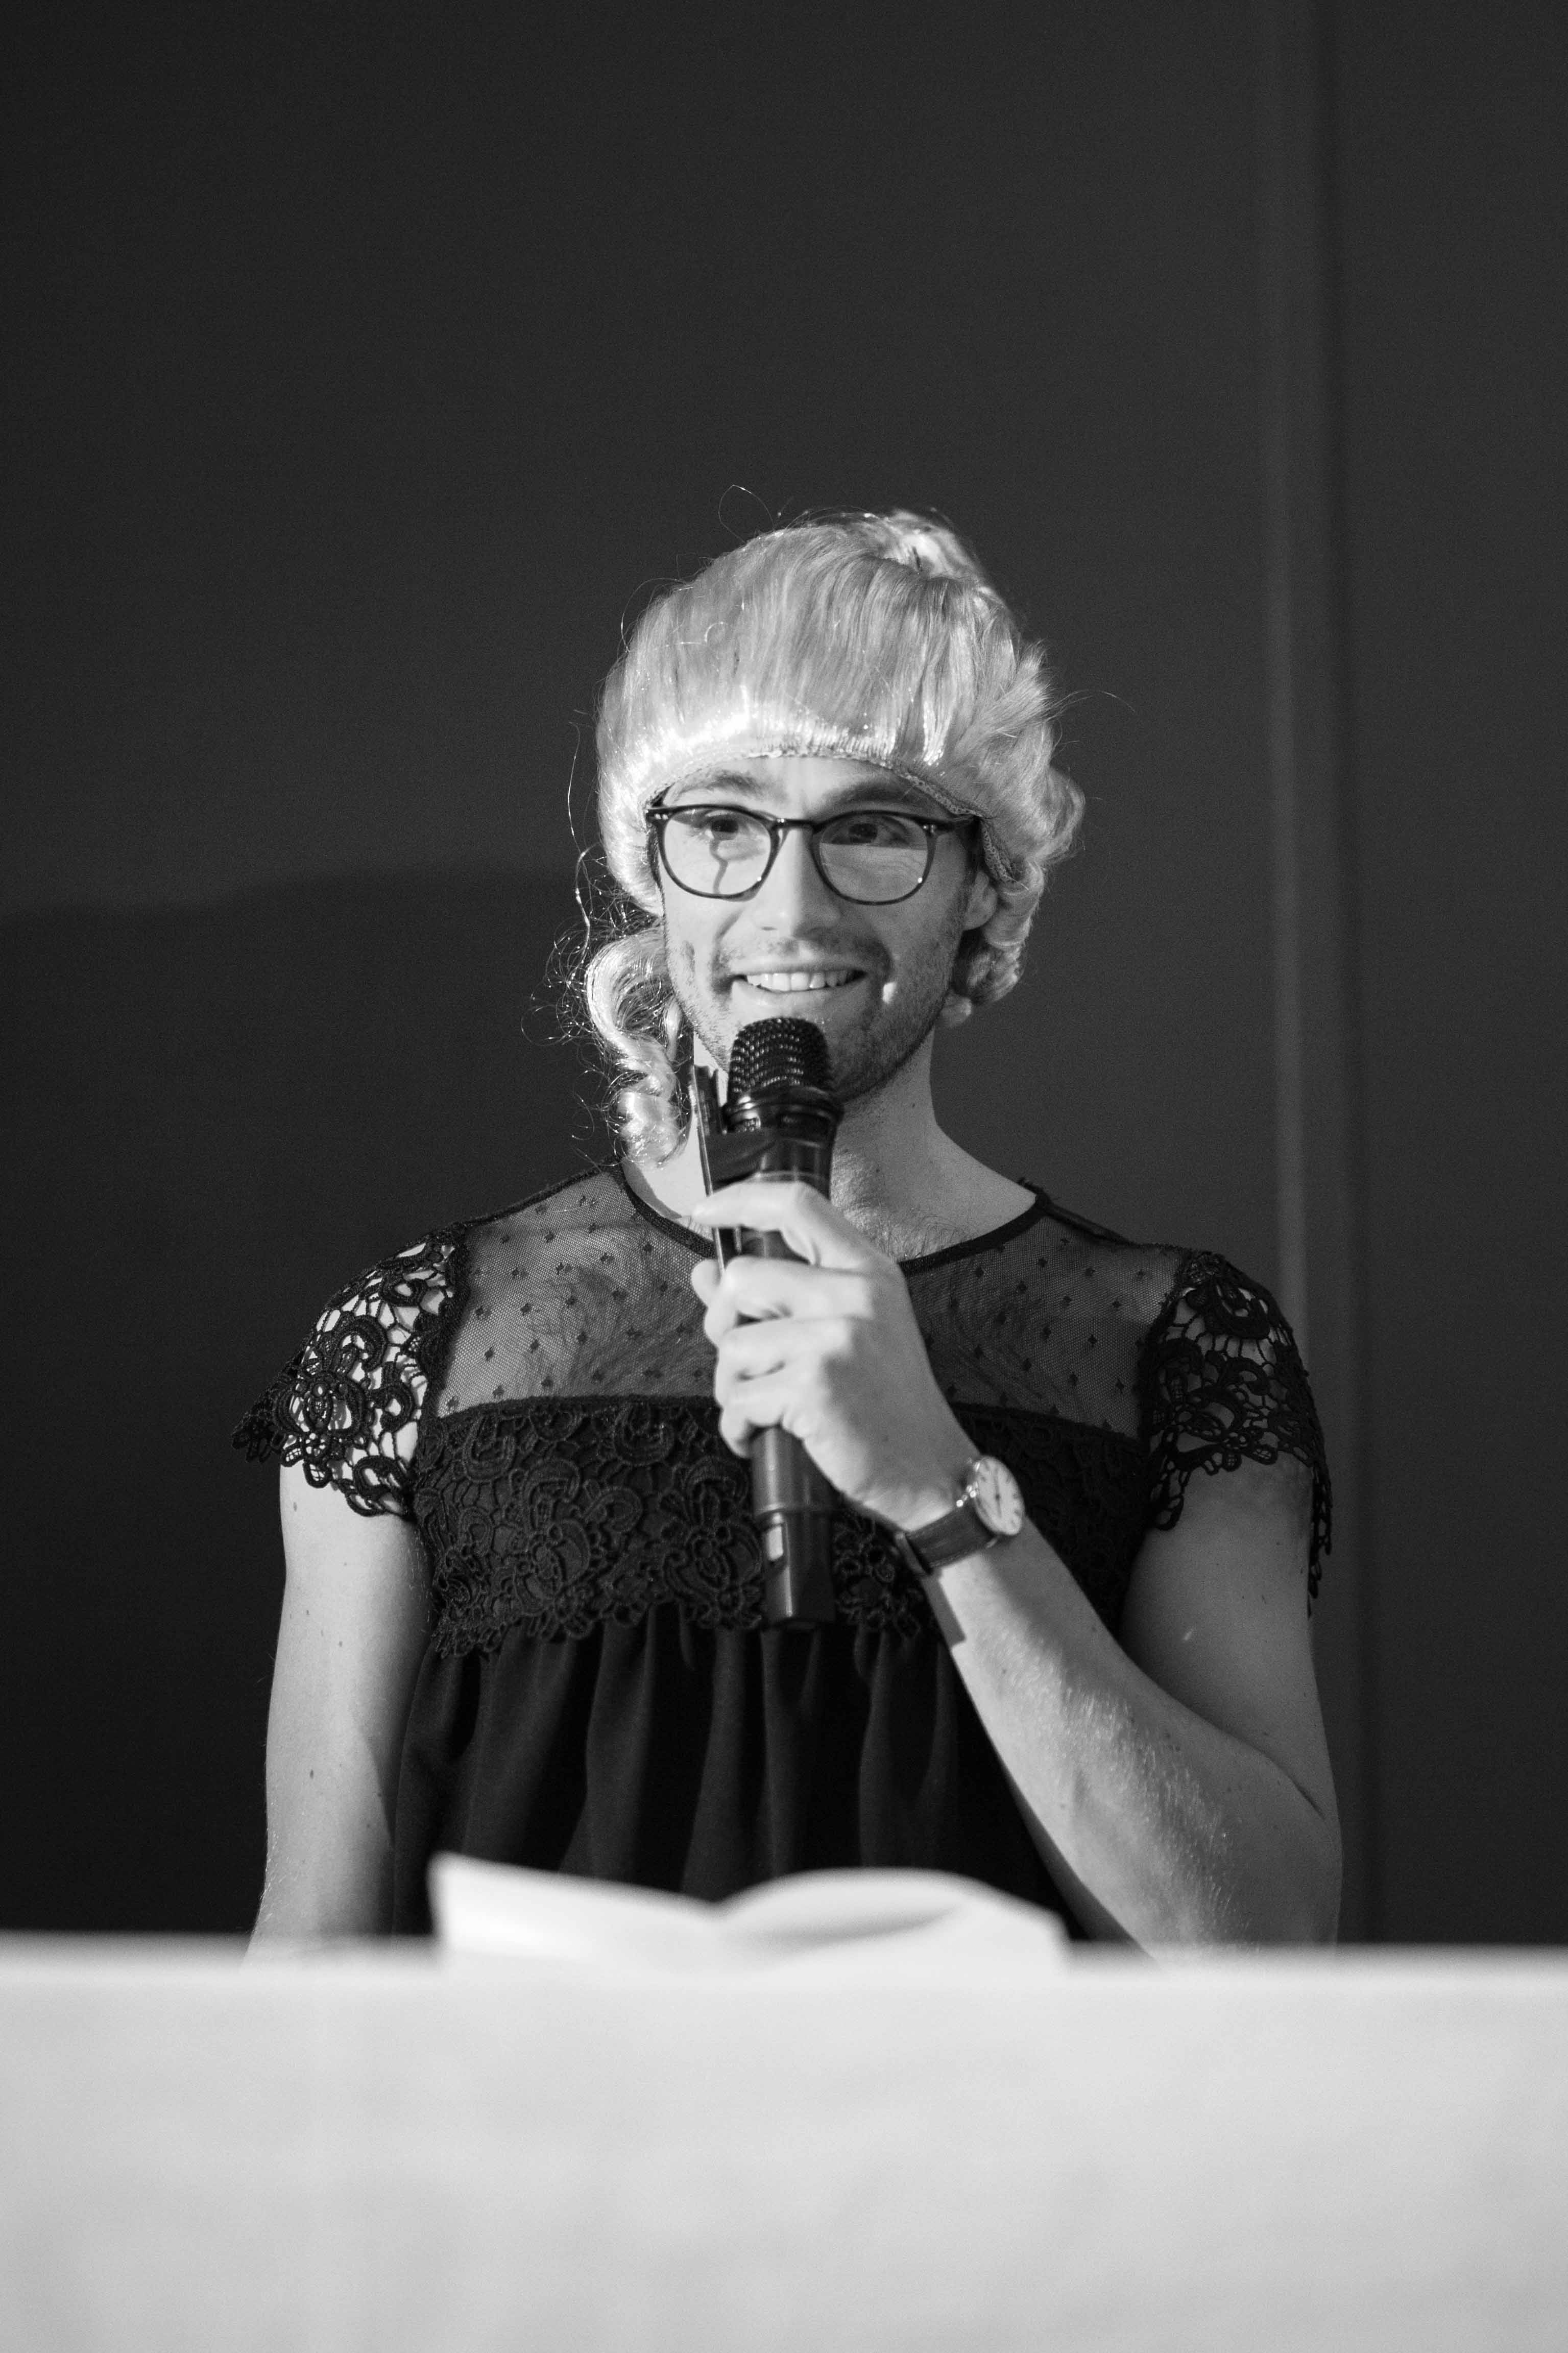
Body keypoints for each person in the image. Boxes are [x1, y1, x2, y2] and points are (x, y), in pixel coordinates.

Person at [237, 510, 1341, 1948]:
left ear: (985, 882)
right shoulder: (425, 1336)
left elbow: (1263, 1938)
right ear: (653, 868)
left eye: (873, 828)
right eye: (724, 825)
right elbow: (312, 1944)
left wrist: (939, 1486)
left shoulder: (1172, 1347)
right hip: (543, 2107)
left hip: (980, 2106)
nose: (791, 905)